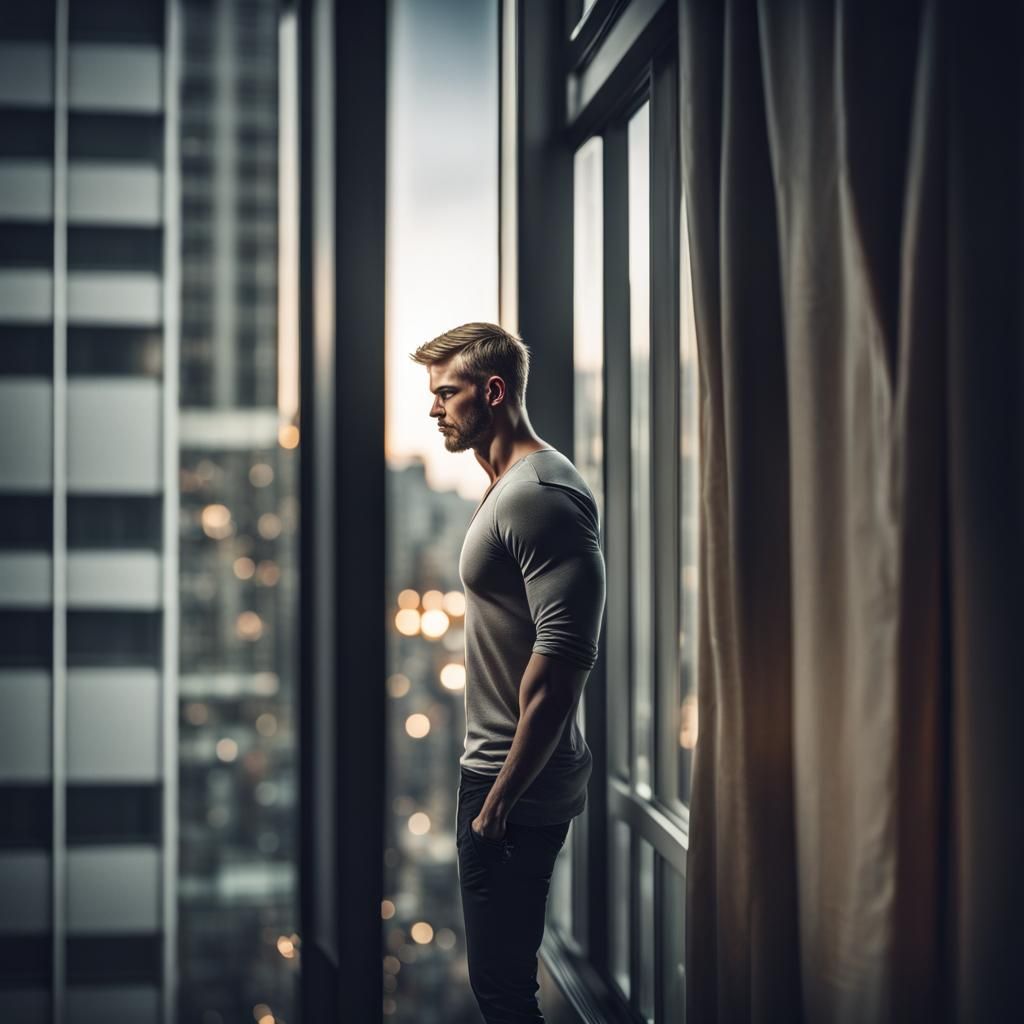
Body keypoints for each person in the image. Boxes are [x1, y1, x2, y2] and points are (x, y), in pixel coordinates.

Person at [409, 322, 607, 1022]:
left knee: (502, 991)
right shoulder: (509, 488)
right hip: (499, 772)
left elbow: (562, 669)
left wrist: (498, 804)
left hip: (511, 784)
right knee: (500, 983)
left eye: (446, 393)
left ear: (493, 393)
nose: (433, 409)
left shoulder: (541, 496)